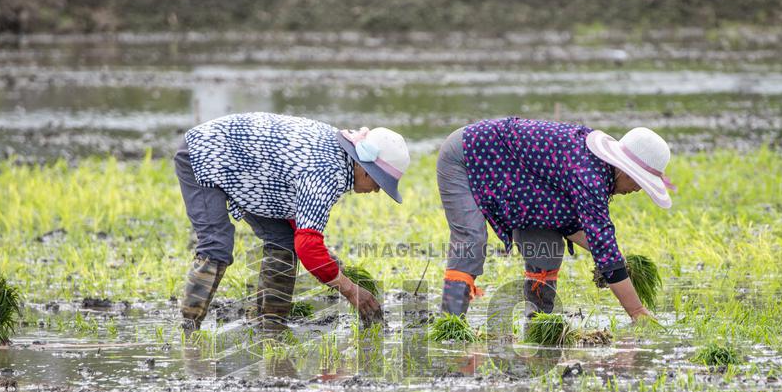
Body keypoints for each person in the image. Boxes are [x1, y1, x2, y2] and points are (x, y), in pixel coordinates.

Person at [174, 112, 410, 330]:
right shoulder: (327, 171)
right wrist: (349, 289)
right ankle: (188, 328)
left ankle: (269, 324)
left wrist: (334, 267)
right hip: (204, 154)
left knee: (284, 242)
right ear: (366, 169)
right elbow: (308, 246)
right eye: (379, 184)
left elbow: (301, 229)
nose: (377, 191)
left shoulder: (337, 157)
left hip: (248, 169)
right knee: (216, 246)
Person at [436, 118, 676, 322]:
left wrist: (617, 261)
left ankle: (539, 325)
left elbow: (567, 222)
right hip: (466, 156)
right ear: (627, 170)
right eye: (639, 183)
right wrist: (637, 311)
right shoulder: (590, 174)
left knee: (547, 249)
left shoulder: (596, 169)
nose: (637, 190)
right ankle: (450, 326)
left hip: (517, 180)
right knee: (471, 240)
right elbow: (603, 244)